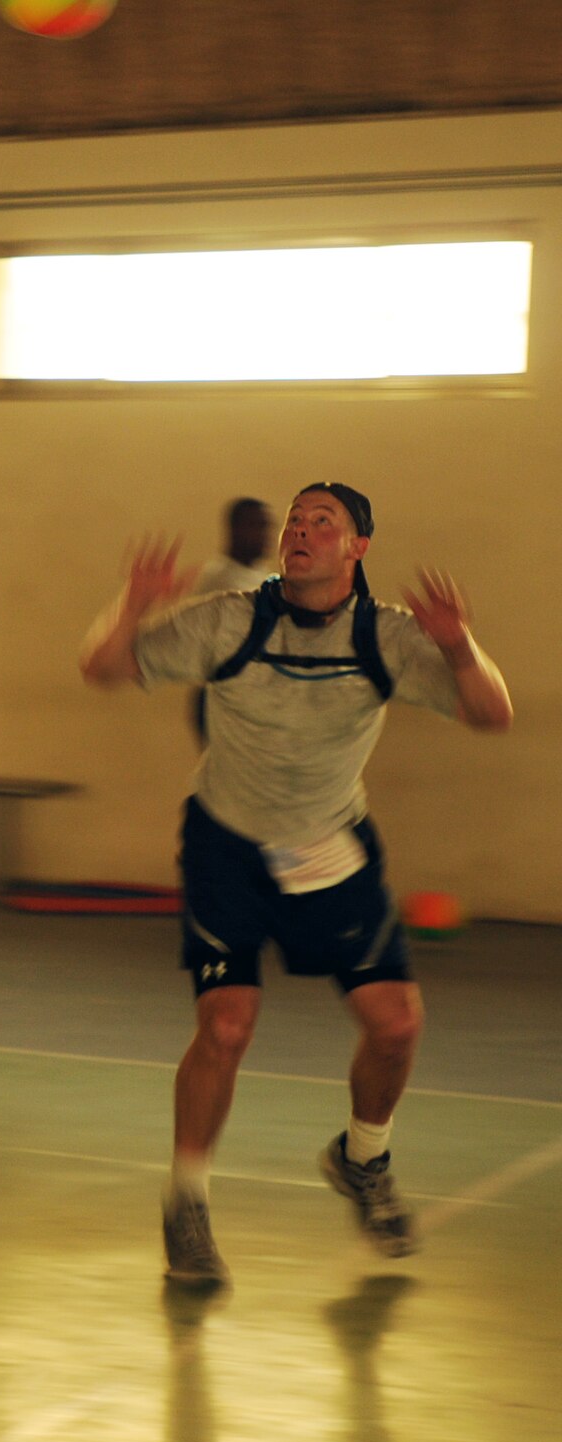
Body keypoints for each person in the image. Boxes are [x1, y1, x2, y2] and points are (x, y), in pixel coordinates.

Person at [79, 483, 512, 1286]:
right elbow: (103, 668)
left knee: (396, 1027)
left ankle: (363, 1160)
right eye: (297, 521)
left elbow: (493, 713)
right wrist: (132, 604)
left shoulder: (389, 638)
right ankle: (187, 1204)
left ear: (358, 549)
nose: (302, 531)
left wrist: (459, 649)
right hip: (228, 846)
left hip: (329, 848)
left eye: (325, 522)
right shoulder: (231, 619)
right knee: (226, 1028)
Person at [187, 498, 276, 742]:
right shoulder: (218, 579)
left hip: (257, 698)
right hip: (224, 697)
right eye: (257, 526)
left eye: (268, 527)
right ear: (235, 529)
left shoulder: (267, 579)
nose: (266, 534)